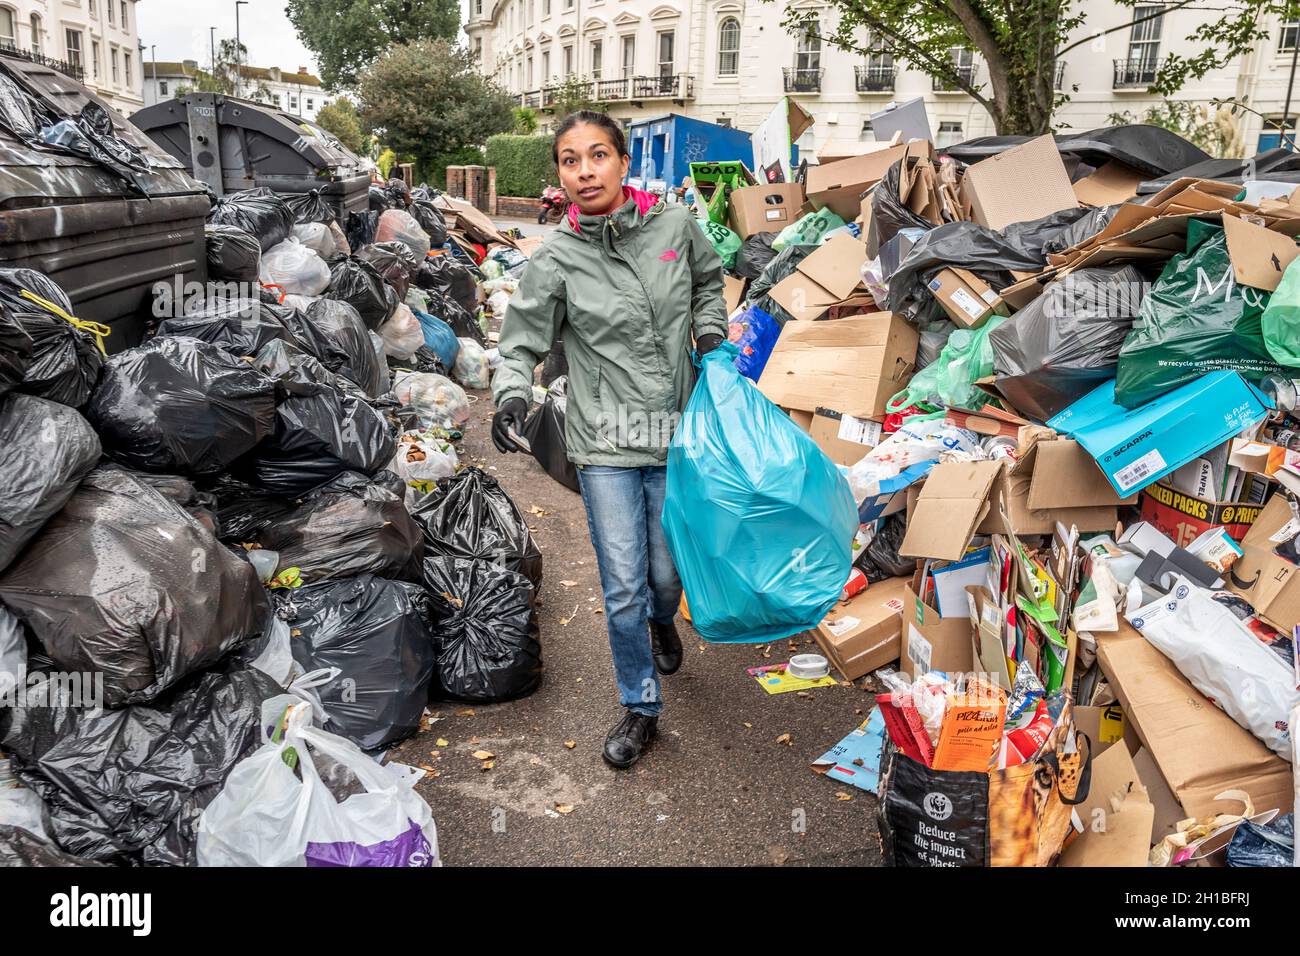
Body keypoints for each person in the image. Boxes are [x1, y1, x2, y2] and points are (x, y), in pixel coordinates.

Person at [491, 110, 727, 769]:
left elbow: (708, 284)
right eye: (570, 160)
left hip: (677, 434)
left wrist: (710, 334)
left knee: (665, 574)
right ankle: (641, 705)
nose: (585, 169)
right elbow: (521, 341)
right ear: (560, 175)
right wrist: (512, 391)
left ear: (624, 164)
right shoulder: (558, 257)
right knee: (623, 583)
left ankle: (662, 620)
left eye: (598, 155)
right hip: (606, 443)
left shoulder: (677, 229)